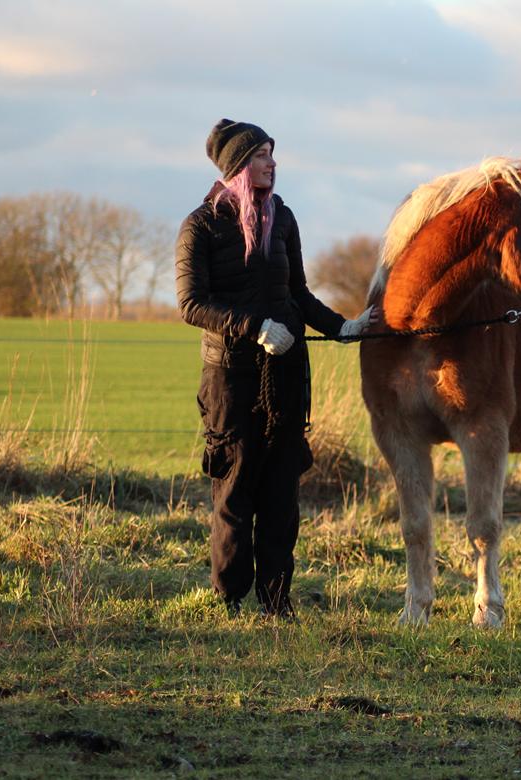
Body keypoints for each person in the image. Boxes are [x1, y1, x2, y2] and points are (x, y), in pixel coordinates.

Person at [176, 118, 373, 618]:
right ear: (240, 164)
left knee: (282, 493)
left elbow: (299, 294)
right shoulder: (201, 224)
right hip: (230, 378)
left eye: (271, 153)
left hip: (286, 374)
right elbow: (192, 304)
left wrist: (342, 327)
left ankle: (276, 600)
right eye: (263, 155)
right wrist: (254, 326)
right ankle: (228, 600)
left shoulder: (282, 218)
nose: (272, 163)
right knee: (236, 488)